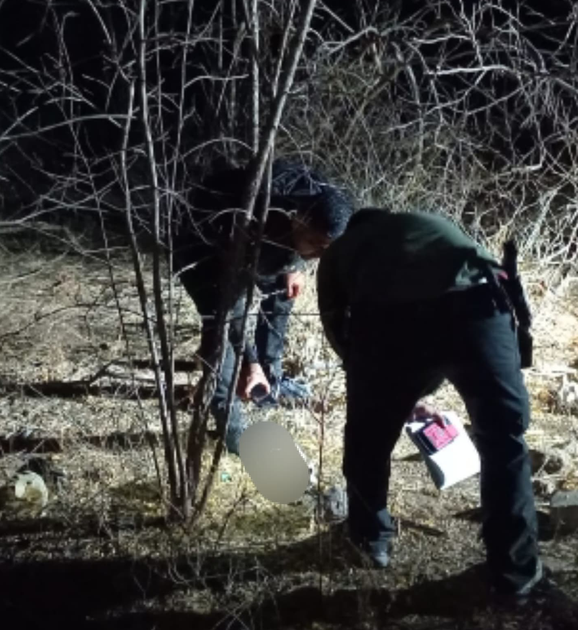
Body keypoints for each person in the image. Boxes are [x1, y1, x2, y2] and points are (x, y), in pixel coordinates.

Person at [315, 207, 557, 606]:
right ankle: (515, 574)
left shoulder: (341, 250)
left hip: (391, 321)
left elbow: (337, 327)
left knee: (368, 437)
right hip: (482, 306)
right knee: (504, 439)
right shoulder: (429, 224)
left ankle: (370, 537)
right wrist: (417, 388)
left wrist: (386, 388)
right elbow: (455, 296)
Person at [172, 158, 353, 455]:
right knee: (219, 337)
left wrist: (297, 263)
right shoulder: (244, 228)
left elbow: (316, 238)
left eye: (328, 249)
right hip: (202, 248)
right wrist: (249, 361)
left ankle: (271, 378)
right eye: (316, 245)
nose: (321, 256)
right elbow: (233, 314)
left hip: (275, 238)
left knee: (284, 288)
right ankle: (233, 430)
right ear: (298, 221)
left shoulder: (321, 198)